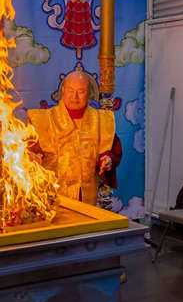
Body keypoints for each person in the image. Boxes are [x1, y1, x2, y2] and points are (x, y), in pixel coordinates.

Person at [27, 70, 121, 204]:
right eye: (70, 90)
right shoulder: (43, 119)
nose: (75, 97)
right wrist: (32, 157)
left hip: (88, 195)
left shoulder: (101, 120)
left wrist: (108, 159)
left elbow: (112, 149)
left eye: (81, 92)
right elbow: (30, 151)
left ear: (90, 93)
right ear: (63, 90)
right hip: (53, 195)